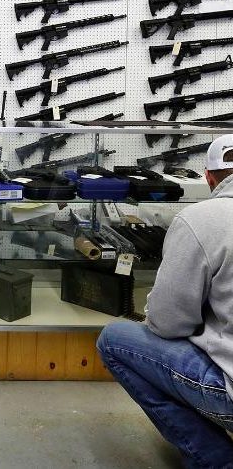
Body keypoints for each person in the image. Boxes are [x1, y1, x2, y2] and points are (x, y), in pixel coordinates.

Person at [97, 134, 233, 468]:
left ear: (209, 177)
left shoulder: (201, 219)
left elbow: (167, 323)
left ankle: (214, 459)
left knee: (113, 340)